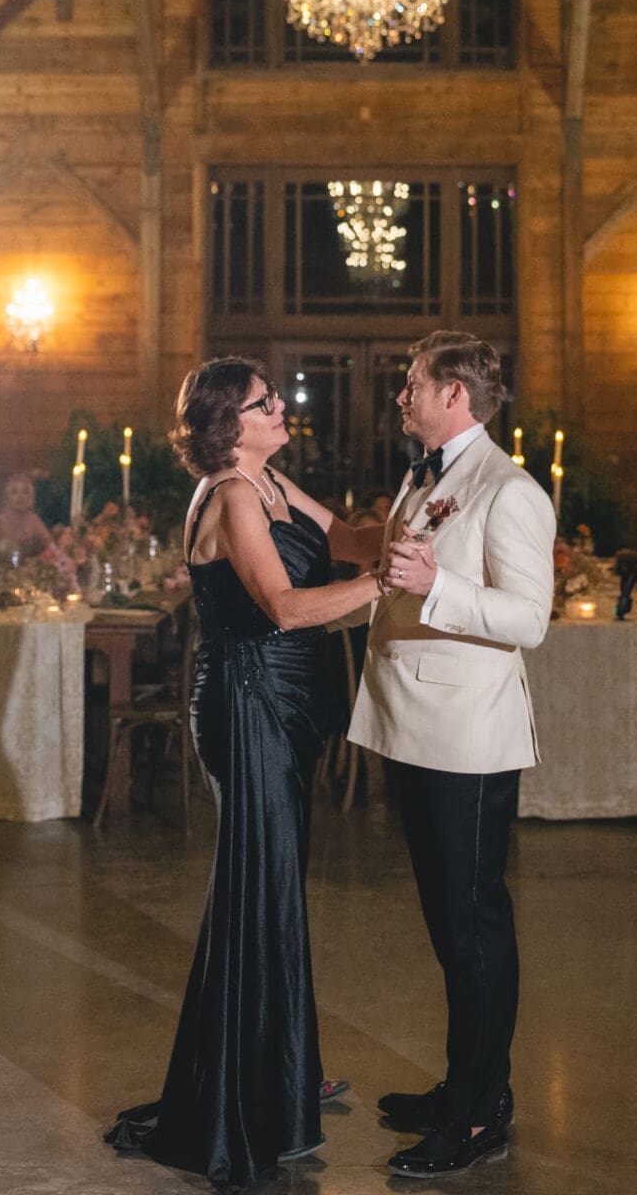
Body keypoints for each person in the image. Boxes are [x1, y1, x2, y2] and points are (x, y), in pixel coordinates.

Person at [107, 357, 382, 1186]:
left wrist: (415, 530)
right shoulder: (229, 496)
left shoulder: (268, 480)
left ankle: (282, 1070)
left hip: (283, 705)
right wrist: (388, 586)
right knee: (257, 893)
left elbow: (341, 541)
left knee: (276, 887)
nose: (281, 405)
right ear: (231, 424)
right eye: (266, 402)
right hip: (248, 705)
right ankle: (240, 1093)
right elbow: (287, 607)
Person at [350, 331, 554, 1177]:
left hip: (466, 736)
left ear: (456, 397)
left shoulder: (511, 492)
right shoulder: (425, 474)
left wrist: (438, 585)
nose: (402, 396)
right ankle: (469, 1084)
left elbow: (528, 621)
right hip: (414, 724)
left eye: (413, 384)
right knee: (446, 926)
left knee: (472, 928)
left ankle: (476, 1117)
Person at [0, 471, 56, 562]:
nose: (20, 496)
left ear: (30, 497)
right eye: (14, 492)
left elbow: (50, 545)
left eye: (25, 492)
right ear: (7, 497)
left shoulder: (33, 520)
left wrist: (39, 559)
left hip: (28, 571)